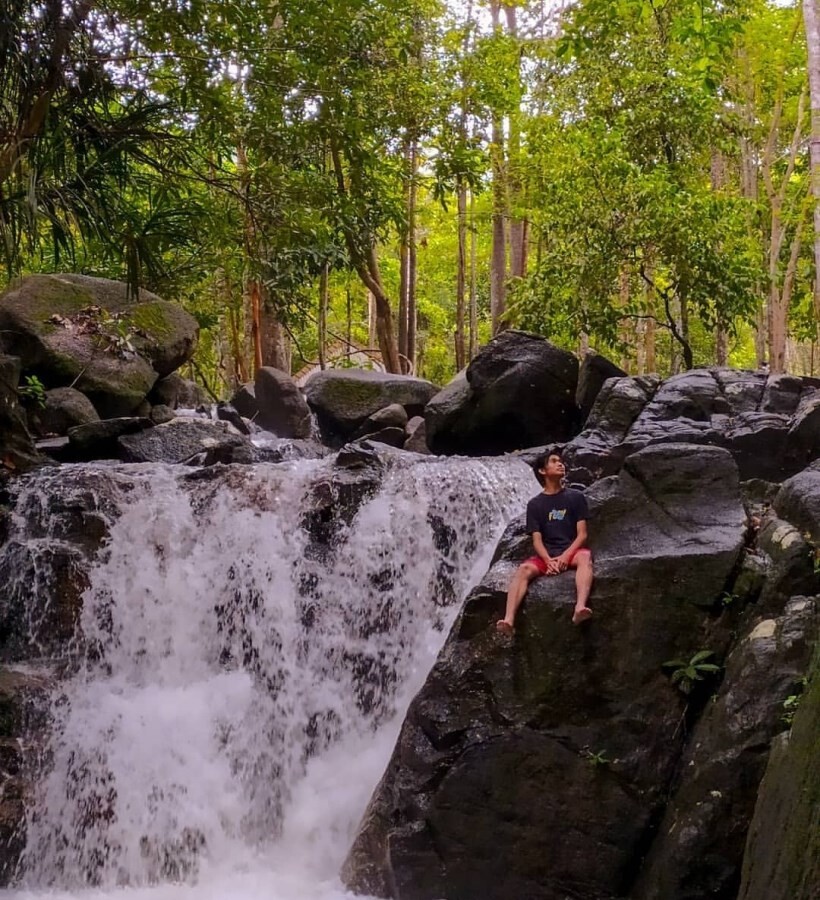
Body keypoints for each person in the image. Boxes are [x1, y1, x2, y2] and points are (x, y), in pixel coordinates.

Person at [496, 449, 593, 634]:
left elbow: (582, 535)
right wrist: (549, 560)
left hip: (570, 552)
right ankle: (508, 619)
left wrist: (565, 557)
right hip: (546, 555)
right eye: (554, 461)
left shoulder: (576, 497)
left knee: (585, 558)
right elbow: (536, 540)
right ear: (542, 471)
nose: (560, 464)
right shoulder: (535, 504)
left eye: (561, 461)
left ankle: (580, 608)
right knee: (523, 569)